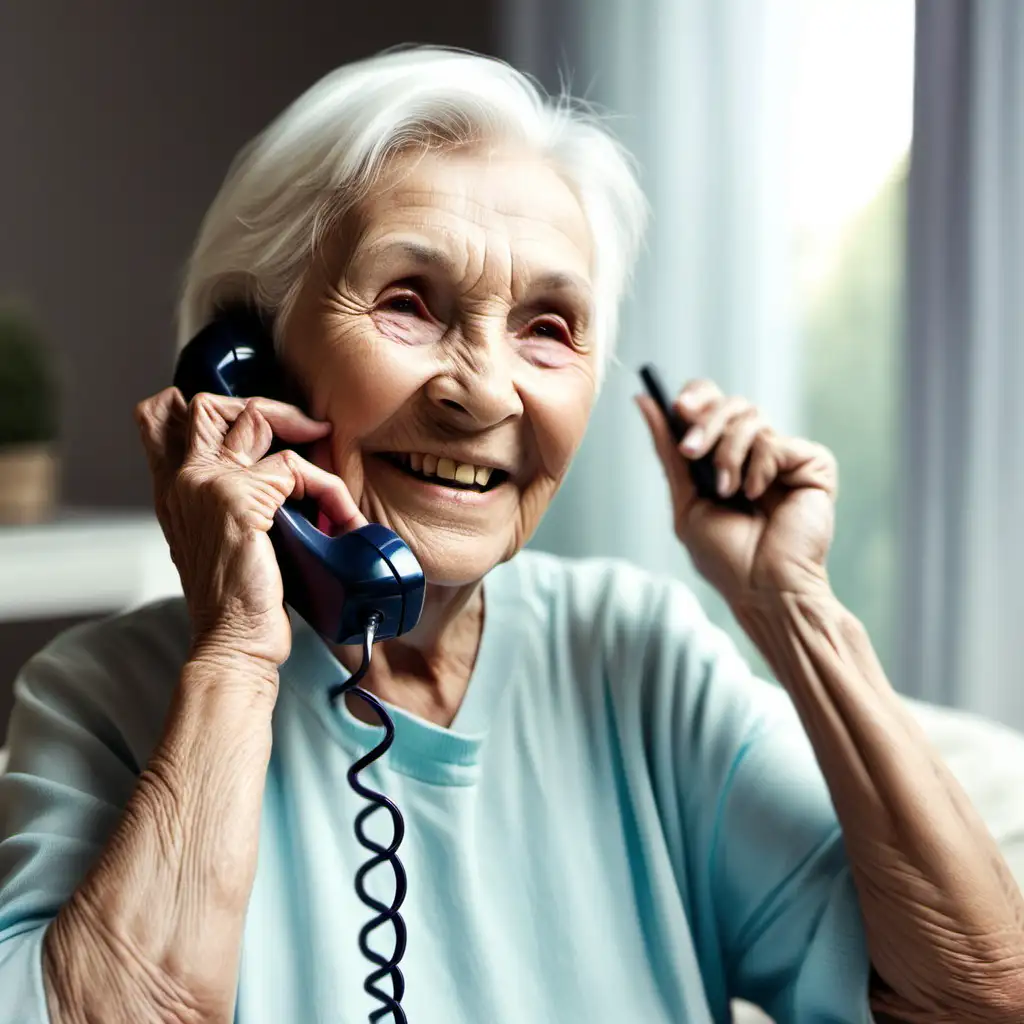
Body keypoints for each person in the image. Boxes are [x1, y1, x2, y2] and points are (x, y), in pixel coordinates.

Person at [1, 46, 1022, 1024]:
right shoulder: (103, 702)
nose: (483, 390)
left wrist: (791, 605)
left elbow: (977, 996)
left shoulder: (637, 658)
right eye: (409, 303)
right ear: (250, 364)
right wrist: (234, 658)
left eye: (547, 327)